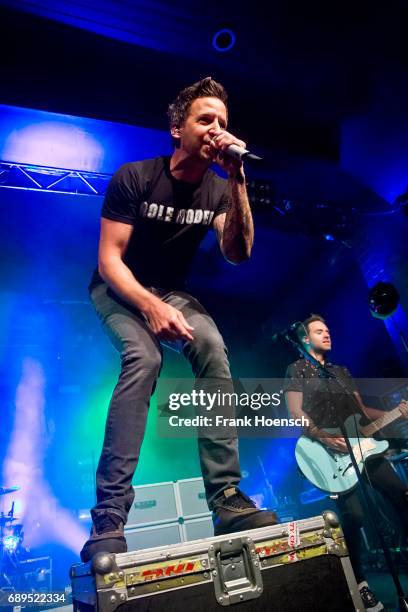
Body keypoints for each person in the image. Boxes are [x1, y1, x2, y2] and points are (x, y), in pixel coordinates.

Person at [80, 77, 277, 562]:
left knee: (211, 347)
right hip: (119, 287)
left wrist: (238, 179)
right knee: (143, 360)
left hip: (172, 292)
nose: (216, 129)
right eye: (205, 119)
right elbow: (110, 261)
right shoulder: (136, 177)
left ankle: (226, 498)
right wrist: (150, 306)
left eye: (224, 123)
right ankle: (109, 515)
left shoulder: (217, 187)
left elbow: (239, 253)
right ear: (176, 129)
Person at [284, 314, 408, 612]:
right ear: (304, 338)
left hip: (363, 446)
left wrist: (397, 412)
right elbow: (296, 414)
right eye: (319, 330)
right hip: (328, 453)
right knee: (353, 516)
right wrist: (326, 439)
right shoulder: (296, 369)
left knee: (403, 495)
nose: (327, 333)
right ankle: (360, 582)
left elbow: (361, 410)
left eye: (328, 329)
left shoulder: (340, 372)